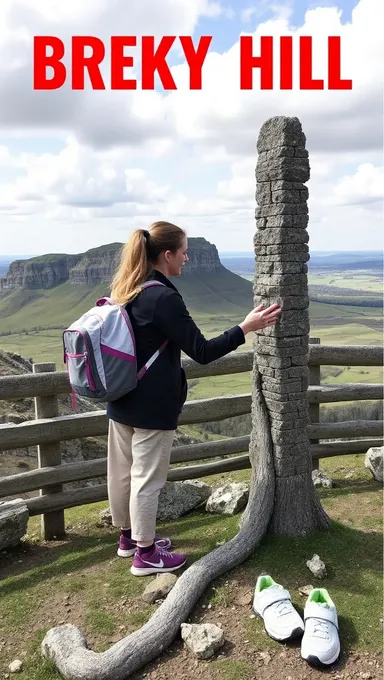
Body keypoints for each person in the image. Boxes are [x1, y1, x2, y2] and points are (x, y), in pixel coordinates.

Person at [107, 221, 281, 577]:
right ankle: (146, 554)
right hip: (152, 405)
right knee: (147, 479)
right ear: (167, 255)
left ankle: (128, 539)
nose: (187, 258)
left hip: (120, 397)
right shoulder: (163, 297)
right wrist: (245, 328)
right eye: (184, 252)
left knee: (122, 473)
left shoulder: (128, 287)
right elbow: (201, 350)